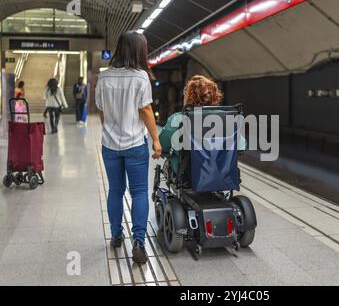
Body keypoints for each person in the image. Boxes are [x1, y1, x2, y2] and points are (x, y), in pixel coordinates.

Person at [95, 31, 162, 264]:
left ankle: (115, 236)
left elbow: (101, 111)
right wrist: (155, 139)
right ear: (138, 51)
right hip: (135, 145)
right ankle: (139, 242)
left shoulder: (104, 77)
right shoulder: (141, 77)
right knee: (139, 192)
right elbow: (145, 111)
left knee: (115, 190)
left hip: (110, 146)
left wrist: (111, 129)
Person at [159, 75, 246, 172]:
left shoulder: (179, 118)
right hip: (221, 171)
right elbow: (241, 146)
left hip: (187, 173)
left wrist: (165, 151)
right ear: (214, 96)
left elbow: (162, 143)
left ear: (189, 96)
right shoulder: (227, 118)